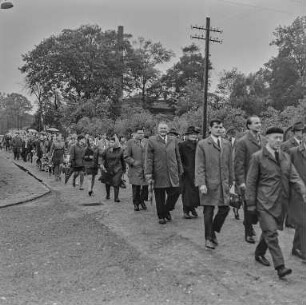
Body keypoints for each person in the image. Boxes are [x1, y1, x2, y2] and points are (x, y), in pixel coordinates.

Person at [246, 127, 306, 278]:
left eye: (280, 138)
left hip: (281, 203)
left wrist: (303, 192)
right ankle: (280, 267)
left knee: (269, 231)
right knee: (272, 233)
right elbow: (251, 182)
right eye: (275, 138)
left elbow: (294, 177)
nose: (279, 141)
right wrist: (251, 203)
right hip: (263, 202)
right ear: (267, 139)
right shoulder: (257, 157)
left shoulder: (285, 157)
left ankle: (259, 252)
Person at [195, 119, 234, 249]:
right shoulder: (203, 144)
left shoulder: (227, 144)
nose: (219, 129)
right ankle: (208, 238)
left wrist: (231, 181)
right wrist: (201, 183)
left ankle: (213, 231)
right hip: (209, 183)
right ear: (210, 129)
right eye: (216, 127)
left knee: (225, 208)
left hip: (224, 183)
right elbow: (199, 166)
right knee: (208, 211)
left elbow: (230, 164)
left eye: (221, 127)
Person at [234, 115, 266, 244]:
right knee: (249, 207)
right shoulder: (242, 142)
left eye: (260, 122)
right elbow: (239, 163)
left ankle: (248, 222)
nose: (259, 125)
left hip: (262, 180)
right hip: (248, 180)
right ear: (249, 126)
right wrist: (241, 182)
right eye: (256, 123)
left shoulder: (264, 140)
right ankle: (248, 232)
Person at [145, 122, 183, 225]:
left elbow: (177, 156)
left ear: (168, 130)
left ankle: (166, 210)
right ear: (158, 130)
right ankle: (161, 216)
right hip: (159, 172)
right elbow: (148, 158)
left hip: (172, 171)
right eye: (161, 128)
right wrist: (148, 172)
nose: (163, 130)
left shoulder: (173, 140)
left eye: (165, 128)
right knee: (160, 196)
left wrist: (180, 169)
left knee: (176, 191)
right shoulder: (152, 140)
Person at [288, 127, 306, 262]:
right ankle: (303, 251)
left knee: (302, 223)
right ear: (303, 136)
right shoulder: (293, 152)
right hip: (297, 193)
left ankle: (296, 247)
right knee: (303, 222)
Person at [124, 128, 148, 211]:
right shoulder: (130, 142)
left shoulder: (147, 142)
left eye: (142, 133)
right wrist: (133, 162)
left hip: (145, 169)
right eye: (139, 133)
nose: (141, 134)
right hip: (135, 169)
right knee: (136, 188)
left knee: (145, 187)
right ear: (135, 134)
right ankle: (136, 203)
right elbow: (126, 156)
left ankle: (142, 200)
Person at [179, 126, 200, 219]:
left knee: (195, 192)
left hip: (197, 171)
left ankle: (192, 208)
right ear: (187, 135)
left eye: (195, 134)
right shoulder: (182, 145)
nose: (193, 136)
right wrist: (183, 169)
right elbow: (179, 159)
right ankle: (185, 211)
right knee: (187, 192)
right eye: (191, 134)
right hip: (186, 172)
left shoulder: (199, 144)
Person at [101, 137, 126, 202]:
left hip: (118, 169)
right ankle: (108, 194)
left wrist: (124, 169)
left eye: (113, 142)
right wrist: (101, 164)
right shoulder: (107, 150)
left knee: (116, 182)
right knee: (107, 182)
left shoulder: (120, 150)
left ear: (116, 143)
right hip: (108, 168)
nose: (111, 143)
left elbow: (123, 160)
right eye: (110, 142)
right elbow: (102, 157)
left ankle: (116, 197)